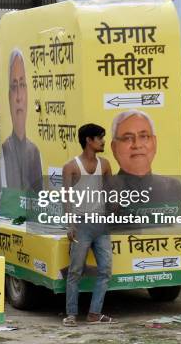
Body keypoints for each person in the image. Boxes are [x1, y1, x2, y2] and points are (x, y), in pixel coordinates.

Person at [61, 124, 115, 326]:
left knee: (106, 270)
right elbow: (66, 198)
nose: (103, 141)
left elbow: (111, 192)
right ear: (88, 141)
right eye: (99, 138)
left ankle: (94, 314)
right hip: (81, 225)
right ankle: (71, 314)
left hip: (101, 224)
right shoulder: (71, 167)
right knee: (75, 271)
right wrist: (70, 225)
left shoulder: (106, 164)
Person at [110, 109, 181, 208]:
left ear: (154, 142)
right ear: (114, 147)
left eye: (144, 136)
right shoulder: (101, 190)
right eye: (127, 138)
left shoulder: (172, 187)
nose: (137, 145)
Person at [1, 49, 43, 193]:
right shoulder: (4, 149)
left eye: (22, 85)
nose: (19, 97)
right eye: (14, 87)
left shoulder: (33, 152)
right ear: (8, 97)